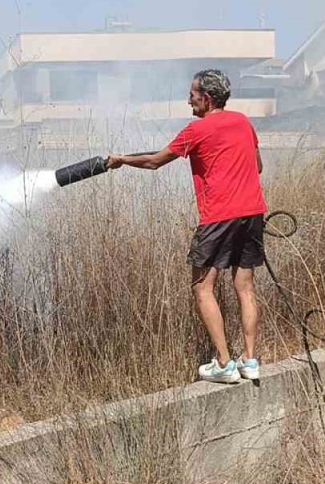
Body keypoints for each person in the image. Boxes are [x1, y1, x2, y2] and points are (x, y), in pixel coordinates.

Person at [108, 69, 266, 384]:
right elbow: (258, 166)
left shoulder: (196, 130)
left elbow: (154, 162)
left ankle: (224, 363)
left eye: (192, 94)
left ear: (206, 98)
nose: (188, 99)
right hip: (253, 212)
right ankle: (250, 360)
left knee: (202, 287)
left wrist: (122, 160)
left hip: (219, 216)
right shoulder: (244, 123)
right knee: (245, 287)